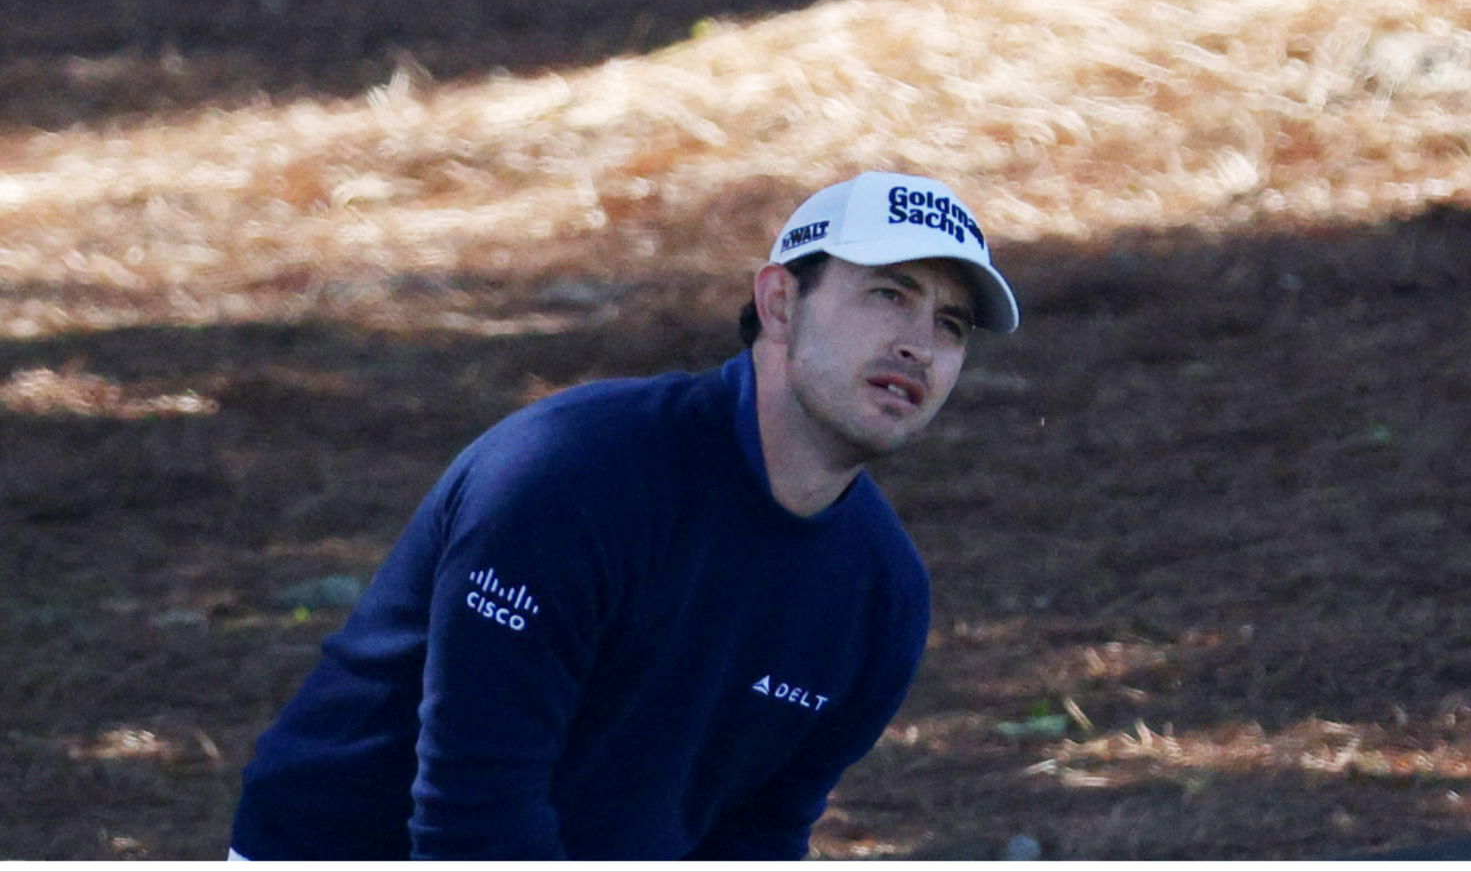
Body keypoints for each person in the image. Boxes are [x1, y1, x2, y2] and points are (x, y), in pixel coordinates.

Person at [228, 170, 1021, 860]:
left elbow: (757, 838)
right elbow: (472, 815)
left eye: (950, 325)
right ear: (779, 302)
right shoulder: (569, 475)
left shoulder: (882, 596)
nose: (920, 343)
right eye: (889, 294)